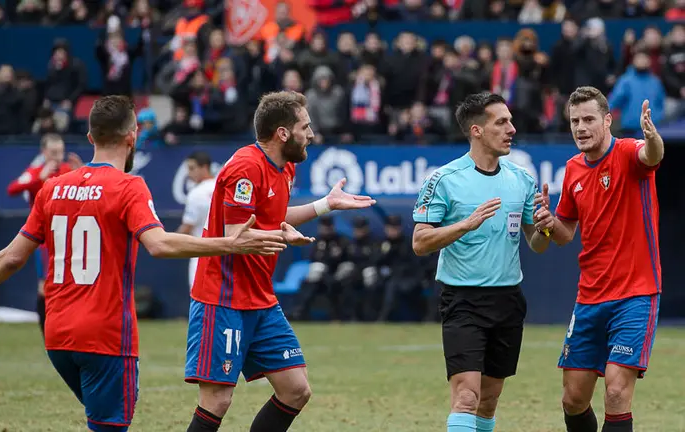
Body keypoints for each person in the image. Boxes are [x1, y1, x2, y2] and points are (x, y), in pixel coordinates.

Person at [0, 95, 289, 432]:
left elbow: (11, 258)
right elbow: (160, 245)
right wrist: (230, 244)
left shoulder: (53, 188)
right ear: (133, 136)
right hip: (105, 337)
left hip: (58, 338)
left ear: (89, 136)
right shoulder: (128, 187)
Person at [183, 90, 376, 432]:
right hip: (223, 297)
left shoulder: (285, 169)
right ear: (283, 133)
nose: (312, 134)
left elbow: (271, 216)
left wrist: (325, 205)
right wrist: (280, 236)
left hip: (260, 298)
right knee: (217, 400)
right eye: (306, 126)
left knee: (296, 390)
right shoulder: (246, 167)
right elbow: (235, 237)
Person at [411, 92, 553, 432]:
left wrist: (546, 229)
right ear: (476, 130)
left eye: (511, 121)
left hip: (508, 299)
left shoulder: (521, 179)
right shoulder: (444, 179)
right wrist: (464, 225)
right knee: (466, 397)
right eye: (501, 122)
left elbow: (537, 245)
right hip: (463, 300)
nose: (512, 129)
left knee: (489, 400)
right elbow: (419, 242)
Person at [545, 86, 664, 432]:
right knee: (573, 398)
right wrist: (549, 224)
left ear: (607, 120)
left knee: (615, 390)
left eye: (588, 119)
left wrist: (652, 137)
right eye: (574, 121)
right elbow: (566, 231)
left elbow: (652, 156)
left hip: (636, 293)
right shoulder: (572, 169)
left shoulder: (628, 152)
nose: (580, 127)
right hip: (590, 296)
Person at [7, 133, 82, 334]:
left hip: (69, 237)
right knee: (45, 286)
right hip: (45, 239)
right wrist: (38, 179)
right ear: (44, 152)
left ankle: (67, 328)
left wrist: (81, 174)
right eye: (53, 152)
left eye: (60, 152)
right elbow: (13, 189)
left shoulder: (69, 171)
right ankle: (47, 331)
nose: (58, 157)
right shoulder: (36, 172)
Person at [177, 151, 217, 290]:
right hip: (225, 253)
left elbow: (187, 227)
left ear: (204, 167)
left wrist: (168, 240)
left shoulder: (196, 194)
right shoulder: (222, 187)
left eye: (192, 168)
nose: (189, 173)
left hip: (201, 254)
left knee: (199, 301)